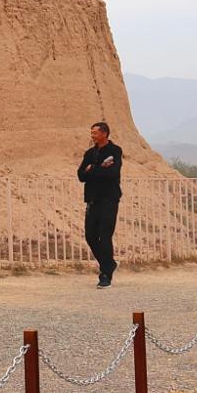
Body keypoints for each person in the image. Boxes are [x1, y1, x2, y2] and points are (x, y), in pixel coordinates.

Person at [77, 122, 123, 287]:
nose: (92, 136)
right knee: (90, 236)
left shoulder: (114, 151)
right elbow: (81, 175)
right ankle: (109, 264)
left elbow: (112, 173)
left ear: (104, 133)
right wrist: (98, 169)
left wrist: (92, 169)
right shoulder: (90, 153)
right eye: (92, 133)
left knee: (104, 237)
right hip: (92, 201)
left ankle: (105, 275)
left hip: (109, 201)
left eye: (95, 133)